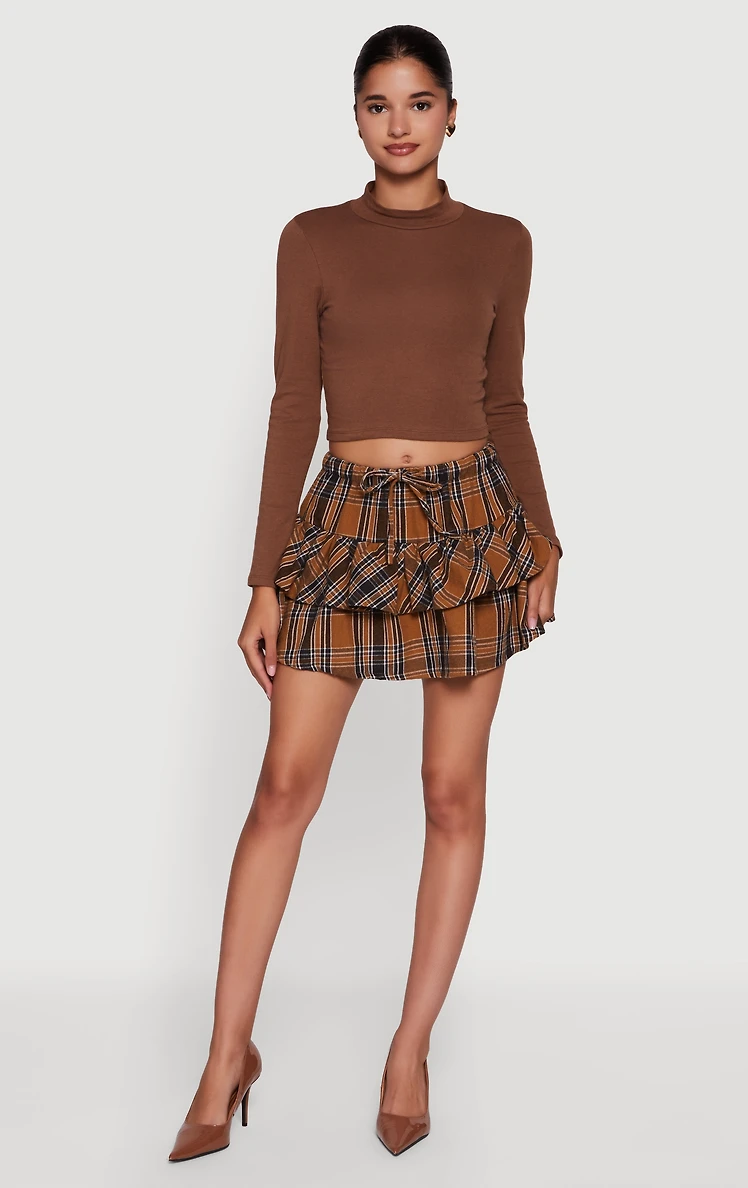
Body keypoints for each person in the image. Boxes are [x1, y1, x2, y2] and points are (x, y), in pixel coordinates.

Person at [168, 23, 562, 1163]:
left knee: (451, 794)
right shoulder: (311, 238)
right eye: (379, 104)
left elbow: (504, 402)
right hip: (342, 525)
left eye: (419, 102)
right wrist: (263, 578)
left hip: (471, 526)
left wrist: (543, 535)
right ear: (354, 117)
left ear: (452, 113)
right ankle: (224, 1055)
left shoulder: (501, 242)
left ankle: (408, 1050)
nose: (400, 123)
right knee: (282, 790)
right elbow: (294, 405)